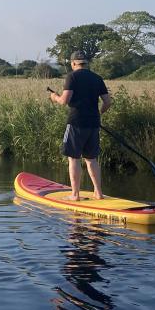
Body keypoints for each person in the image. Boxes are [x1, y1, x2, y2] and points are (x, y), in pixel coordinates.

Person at [49, 51, 112, 200]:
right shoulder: (97, 78)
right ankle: (99, 193)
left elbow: (64, 101)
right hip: (93, 123)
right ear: (86, 63)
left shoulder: (72, 76)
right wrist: (99, 114)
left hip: (76, 122)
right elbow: (108, 102)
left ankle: (75, 195)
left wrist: (54, 97)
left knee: (73, 158)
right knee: (91, 159)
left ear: (73, 63)